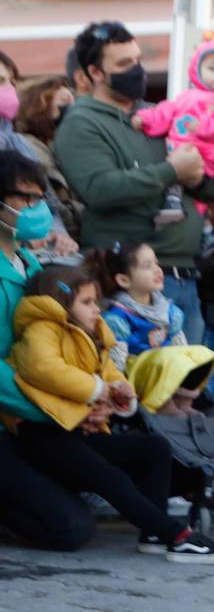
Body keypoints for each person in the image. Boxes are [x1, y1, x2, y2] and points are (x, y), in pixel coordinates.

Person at [7, 261, 214, 562]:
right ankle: (175, 536)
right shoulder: (41, 330)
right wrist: (99, 390)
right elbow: (44, 369)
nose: (97, 309)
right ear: (60, 303)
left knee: (153, 447)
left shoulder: (91, 333)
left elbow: (109, 370)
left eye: (95, 301)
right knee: (109, 477)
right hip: (42, 432)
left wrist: (121, 392)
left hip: (75, 429)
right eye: (87, 303)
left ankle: (153, 533)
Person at [52, 21, 214, 343]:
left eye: (138, 60)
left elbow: (211, 187)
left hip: (185, 276)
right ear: (95, 73)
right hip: (129, 286)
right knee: (140, 389)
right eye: (124, 63)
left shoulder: (160, 114)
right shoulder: (81, 123)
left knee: (187, 390)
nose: (137, 70)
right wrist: (172, 171)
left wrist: (198, 176)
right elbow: (100, 189)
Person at [0, 149, 97, 550]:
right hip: (19, 409)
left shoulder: (31, 265)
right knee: (68, 528)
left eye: (39, 197)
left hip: (25, 413)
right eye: (25, 198)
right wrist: (51, 407)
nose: (35, 207)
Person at [129, 34, 214, 196]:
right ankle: (174, 202)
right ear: (197, 69)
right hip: (178, 154)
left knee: (199, 197)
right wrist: (145, 118)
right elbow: (165, 112)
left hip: (209, 160)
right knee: (172, 185)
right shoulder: (186, 96)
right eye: (212, 68)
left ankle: (198, 211)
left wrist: (204, 127)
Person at [12, 75, 84, 247]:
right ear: (39, 107)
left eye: (74, 100)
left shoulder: (59, 145)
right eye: (65, 101)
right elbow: (52, 202)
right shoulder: (31, 148)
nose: (73, 108)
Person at [93, 242, 185, 370]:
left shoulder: (170, 312)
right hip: (138, 378)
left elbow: (183, 352)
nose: (157, 270)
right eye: (147, 266)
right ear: (124, 280)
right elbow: (117, 366)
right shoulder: (119, 318)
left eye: (156, 263)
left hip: (171, 373)